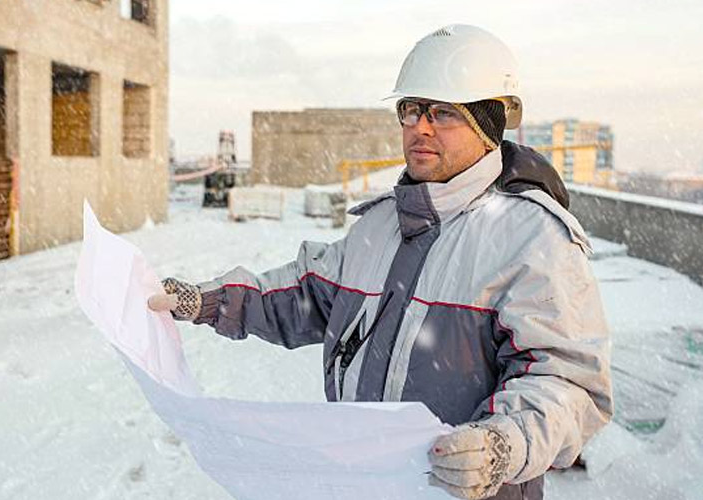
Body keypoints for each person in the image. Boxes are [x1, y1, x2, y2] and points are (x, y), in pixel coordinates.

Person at [148, 24, 612, 500]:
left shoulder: (532, 238)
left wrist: (503, 444)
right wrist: (207, 301)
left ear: (487, 124)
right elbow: (306, 295)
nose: (419, 127)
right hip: (361, 485)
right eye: (409, 110)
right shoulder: (381, 224)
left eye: (442, 113)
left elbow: (568, 382)